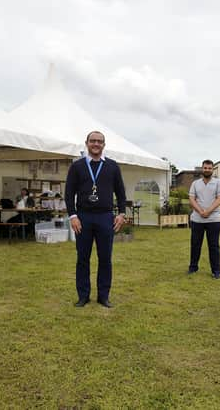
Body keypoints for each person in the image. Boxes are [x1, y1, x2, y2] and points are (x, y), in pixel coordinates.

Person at [65, 131, 127, 308]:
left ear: (104, 145)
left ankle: (103, 296)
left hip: (105, 217)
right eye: (93, 141)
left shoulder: (112, 166)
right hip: (83, 217)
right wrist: (73, 215)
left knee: (105, 258)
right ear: (87, 143)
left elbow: (121, 193)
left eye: (100, 141)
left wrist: (121, 214)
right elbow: (69, 194)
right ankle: (83, 296)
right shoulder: (77, 167)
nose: (96, 144)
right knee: (82, 258)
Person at [188, 160, 220, 278]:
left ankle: (216, 271)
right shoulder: (195, 183)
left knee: (213, 246)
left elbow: (219, 199)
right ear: (202, 168)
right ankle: (193, 267)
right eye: (205, 168)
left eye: (209, 168)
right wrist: (200, 211)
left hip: (213, 220)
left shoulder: (218, 183)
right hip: (197, 219)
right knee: (195, 245)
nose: (207, 170)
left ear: (213, 169)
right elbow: (192, 199)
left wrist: (208, 211)